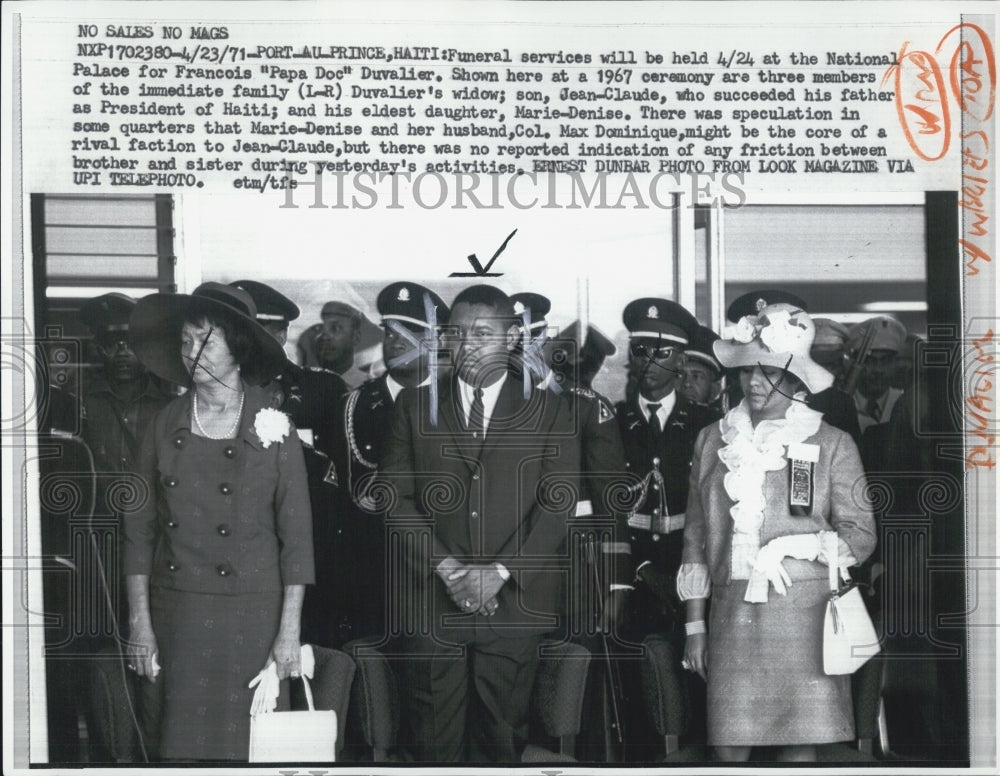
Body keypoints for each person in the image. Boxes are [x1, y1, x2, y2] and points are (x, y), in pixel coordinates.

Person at [380, 284, 580, 762]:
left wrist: (498, 574)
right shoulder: (412, 406)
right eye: (458, 333)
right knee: (433, 746)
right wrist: (449, 569)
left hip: (513, 609)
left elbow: (559, 505)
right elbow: (393, 502)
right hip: (431, 606)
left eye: (483, 334)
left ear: (512, 339)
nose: (468, 345)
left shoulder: (551, 409)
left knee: (501, 744)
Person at [124, 282, 315, 761]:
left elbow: (297, 539)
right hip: (179, 613)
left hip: (253, 615)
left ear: (239, 347)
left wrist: (289, 632)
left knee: (250, 747)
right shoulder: (163, 424)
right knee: (179, 746)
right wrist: (140, 622)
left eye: (206, 340)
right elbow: (138, 531)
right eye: (186, 342)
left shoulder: (273, 423)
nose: (193, 352)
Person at [679, 302, 876, 762]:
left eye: (768, 372)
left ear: (795, 378)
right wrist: (694, 626)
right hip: (733, 617)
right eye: (746, 371)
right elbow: (694, 538)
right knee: (728, 749)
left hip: (805, 618)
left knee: (798, 752)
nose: (753, 383)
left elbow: (861, 534)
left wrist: (802, 543)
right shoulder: (713, 440)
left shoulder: (831, 444)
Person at [614, 298, 718, 758]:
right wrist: (635, 571)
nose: (648, 363)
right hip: (630, 579)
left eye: (661, 353)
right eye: (639, 351)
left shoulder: (705, 425)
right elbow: (600, 511)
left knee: (696, 700)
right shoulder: (610, 423)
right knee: (635, 702)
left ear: (680, 361)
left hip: (691, 580)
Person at [230, 280, 353, 650]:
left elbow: (343, 484)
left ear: (282, 333)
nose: (248, 341)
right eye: (239, 329)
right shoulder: (218, 393)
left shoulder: (323, 392)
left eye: (260, 329)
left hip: (313, 563)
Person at [341, 281, 449, 645]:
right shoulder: (352, 406)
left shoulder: (459, 405)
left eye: (413, 331)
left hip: (441, 584)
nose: (397, 340)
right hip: (371, 584)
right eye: (390, 331)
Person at [843, 315, 908, 470]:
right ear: (854, 363)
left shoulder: (904, 404)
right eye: (869, 361)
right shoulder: (841, 406)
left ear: (895, 364)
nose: (878, 370)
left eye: (885, 361)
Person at [680, 325, 723, 411]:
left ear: (714, 389)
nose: (686, 384)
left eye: (696, 376)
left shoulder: (721, 424)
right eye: (679, 376)